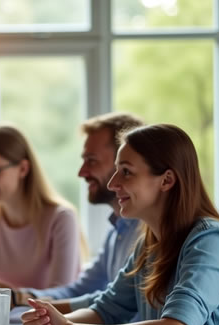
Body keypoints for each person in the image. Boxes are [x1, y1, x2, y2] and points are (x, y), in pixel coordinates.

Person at [21, 124, 219, 325]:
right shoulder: (149, 244)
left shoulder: (211, 241)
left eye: (126, 172)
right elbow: (106, 310)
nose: (113, 184)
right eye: (116, 171)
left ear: (166, 180)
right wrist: (52, 323)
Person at [13, 113, 145, 312]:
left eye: (92, 161)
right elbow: (81, 289)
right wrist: (22, 297)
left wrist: (36, 307)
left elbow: (116, 303)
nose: (81, 172)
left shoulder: (149, 232)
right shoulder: (117, 231)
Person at [0, 124, 84, 290]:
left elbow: (60, 296)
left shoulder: (61, 219)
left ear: (23, 169)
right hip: (2, 316)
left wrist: (8, 295)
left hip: (44, 317)